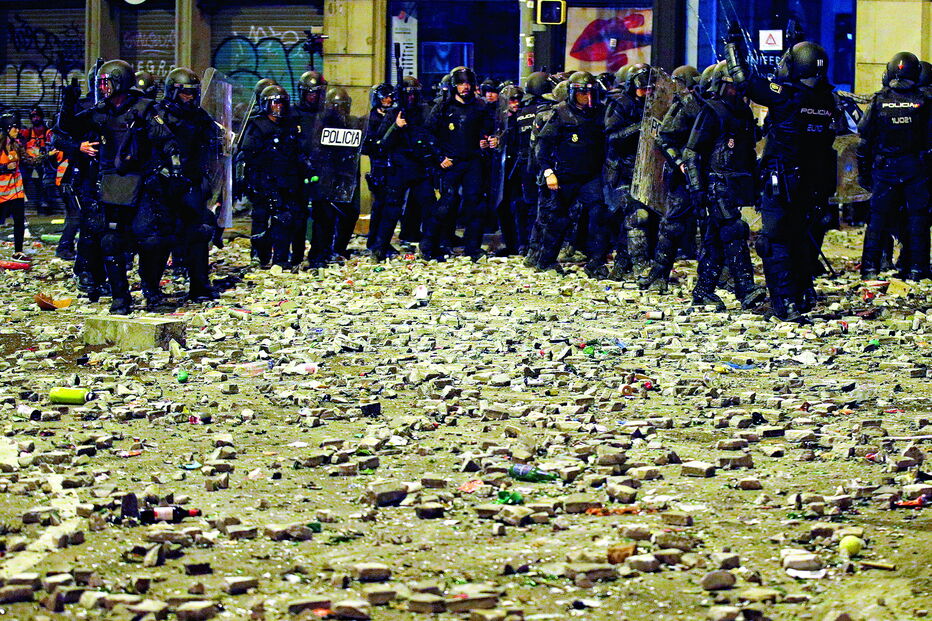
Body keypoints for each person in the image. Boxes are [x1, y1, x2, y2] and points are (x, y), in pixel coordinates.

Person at [726, 34, 839, 321]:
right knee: (802, 238)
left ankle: (784, 302)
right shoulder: (828, 98)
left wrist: (732, 46)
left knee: (775, 242)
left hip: (784, 180)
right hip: (814, 183)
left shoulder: (784, 93)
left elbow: (744, 80)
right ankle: (801, 295)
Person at [61, 59, 180, 314]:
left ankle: (151, 291)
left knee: (152, 241)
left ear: (120, 83)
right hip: (108, 185)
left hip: (142, 184)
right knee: (110, 241)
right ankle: (120, 298)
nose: (102, 88)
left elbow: (167, 141)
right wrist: (67, 103)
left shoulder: (144, 109)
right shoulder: (100, 111)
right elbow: (68, 128)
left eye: (106, 83)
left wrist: (174, 169)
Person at [681, 62, 766, 310]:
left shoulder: (744, 114)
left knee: (716, 241)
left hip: (735, 184)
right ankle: (745, 289)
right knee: (734, 230)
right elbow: (691, 152)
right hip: (715, 183)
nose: (737, 92)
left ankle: (703, 291)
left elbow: (748, 153)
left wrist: (756, 186)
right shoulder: (711, 111)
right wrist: (697, 189)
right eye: (732, 87)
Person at [857, 52, 931, 281]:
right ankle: (917, 269)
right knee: (917, 218)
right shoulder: (925, 100)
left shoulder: (879, 99)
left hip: (885, 168)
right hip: (915, 167)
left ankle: (869, 269)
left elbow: (863, 131)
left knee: (877, 219)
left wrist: (865, 172)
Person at [156, 67, 221, 302]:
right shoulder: (159, 115)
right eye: (185, 93)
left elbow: (214, 138)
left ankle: (200, 286)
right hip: (164, 186)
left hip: (192, 183)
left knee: (199, 233)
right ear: (173, 92)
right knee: (161, 238)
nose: (190, 97)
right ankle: (152, 289)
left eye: (194, 93)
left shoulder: (199, 115)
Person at [639, 64, 705, 291]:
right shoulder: (682, 107)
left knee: (715, 226)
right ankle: (659, 274)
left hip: (709, 173)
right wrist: (680, 163)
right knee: (672, 225)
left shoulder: (709, 105)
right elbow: (665, 138)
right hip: (685, 176)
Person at [533, 71, 606, 275]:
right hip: (564, 174)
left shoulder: (600, 112)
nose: (587, 97)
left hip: (590, 175)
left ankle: (596, 262)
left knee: (598, 214)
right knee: (558, 219)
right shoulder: (561, 113)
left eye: (590, 93)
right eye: (583, 93)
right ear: (574, 93)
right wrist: (548, 172)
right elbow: (542, 145)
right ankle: (545, 261)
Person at [424, 66, 495, 261]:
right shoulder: (443, 107)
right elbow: (429, 133)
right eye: (461, 84)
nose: (464, 87)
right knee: (447, 203)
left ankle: (472, 247)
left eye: (467, 84)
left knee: (475, 204)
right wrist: (439, 157)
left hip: (473, 161)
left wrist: (486, 140)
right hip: (451, 162)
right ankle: (433, 244)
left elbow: (488, 128)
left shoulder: (480, 106)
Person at [370, 76, 438, 262]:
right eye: (408, 94)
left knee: (430, 207)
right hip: (399, 168)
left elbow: (432, 136)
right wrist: (397, 127)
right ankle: (380, 248)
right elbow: (382, 143)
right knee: (391, 210)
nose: (411, 97)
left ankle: (428, 246)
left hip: (419, 167)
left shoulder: (425, 112)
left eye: (414, 94)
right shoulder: (394, 114)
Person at [241, 84, 307, 269]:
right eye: (275, 103)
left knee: (285, 219)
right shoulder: (257, 126)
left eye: (282, 103)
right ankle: (259, 256)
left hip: (285, 181)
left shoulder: (290, 126)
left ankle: (281, 258)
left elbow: (298, 151)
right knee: (261, 218)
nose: (279, 107)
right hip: (263, 181)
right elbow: (247, 155)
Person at [363, 83, 395, 253]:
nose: (388, 100)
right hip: (379, 166)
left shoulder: (396, 115)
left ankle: (383, 240)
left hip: (394, 166)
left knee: (390, 206)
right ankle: (374, 240)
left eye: (390, 96)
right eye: (384, 97)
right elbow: (370, 145)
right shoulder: (371, 119)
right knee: (379, 205)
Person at [0, 111, 28, 260]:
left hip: (16, 191)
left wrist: (48, 155)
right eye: (15, 128)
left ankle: (18, 251)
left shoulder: (16, 145)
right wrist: (4, 169)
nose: (18, 130)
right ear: (7, 128)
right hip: (2, 193)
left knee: (19, 221)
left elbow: (29, 161)